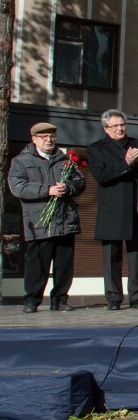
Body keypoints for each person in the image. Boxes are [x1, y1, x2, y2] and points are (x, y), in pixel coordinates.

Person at [8, 122, 87, 312]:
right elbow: (18, 187)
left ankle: (60, 300)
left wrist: (67, 187)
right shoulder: (22, 161)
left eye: (52, 136)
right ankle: (31, 301)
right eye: (44, 137)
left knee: (64, 265)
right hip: (39, 222)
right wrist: (47, 190)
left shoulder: (64, 159)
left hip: (65, 220)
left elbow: (80, 182)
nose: (49, 140)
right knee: (37, 265)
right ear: (34, 139)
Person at [90, 110, 138, 310]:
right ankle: (114, 298)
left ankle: (137, 297)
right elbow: (102, 176)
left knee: (137, 255)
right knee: (112, 255)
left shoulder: (136, 144)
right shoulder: (96, 149)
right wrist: (126, 163)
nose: (120, 129)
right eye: (115, 126)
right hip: (112, 210)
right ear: (106, 129)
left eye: (122, 124)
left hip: (135, 208)